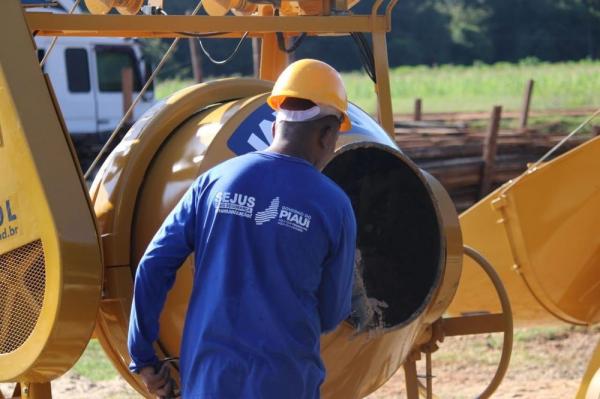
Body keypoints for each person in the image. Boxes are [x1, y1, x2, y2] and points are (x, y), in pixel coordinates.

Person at [127, 58, 357, 399]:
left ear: (275, 123)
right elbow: (330, 314)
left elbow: (153, 263)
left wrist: (143, 357)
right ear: (326, 135)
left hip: (209, 382)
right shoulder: (334, 205)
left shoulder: (214, 181)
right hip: (287, 384)